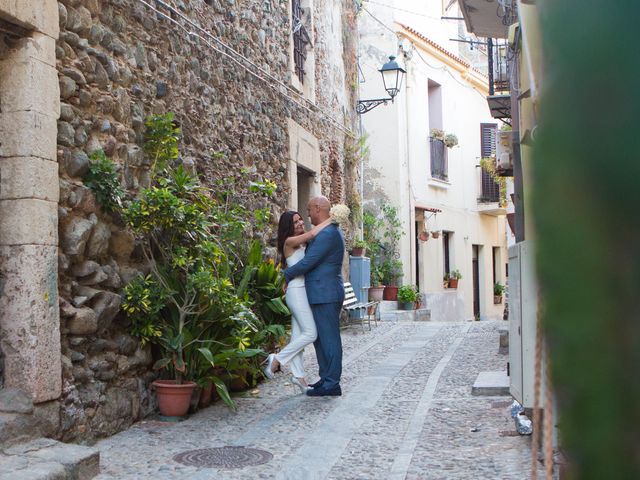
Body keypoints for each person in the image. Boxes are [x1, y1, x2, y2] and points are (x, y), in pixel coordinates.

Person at [283, 196, 345, 397]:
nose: (307, 214)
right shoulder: (326, 230)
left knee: (329, 339)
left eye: (309, 210)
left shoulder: (328, 233)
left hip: (326, 293)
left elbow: (308, 262)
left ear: (318, 208)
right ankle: (325, 378)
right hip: (320, 293)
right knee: (320, 340)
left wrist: (286, 275)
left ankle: (332, 383)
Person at [263, 211, 331, 393]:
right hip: (296, 291)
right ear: (288, 227)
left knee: (297, 335)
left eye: (301, 219)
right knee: (311, 333)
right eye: (295, 222)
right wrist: (331, 219)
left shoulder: (302, 244)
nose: (300, 222)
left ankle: (298, 377)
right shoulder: (289, 242)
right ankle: (277, 359)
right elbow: (312, 234)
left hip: (303, 291)